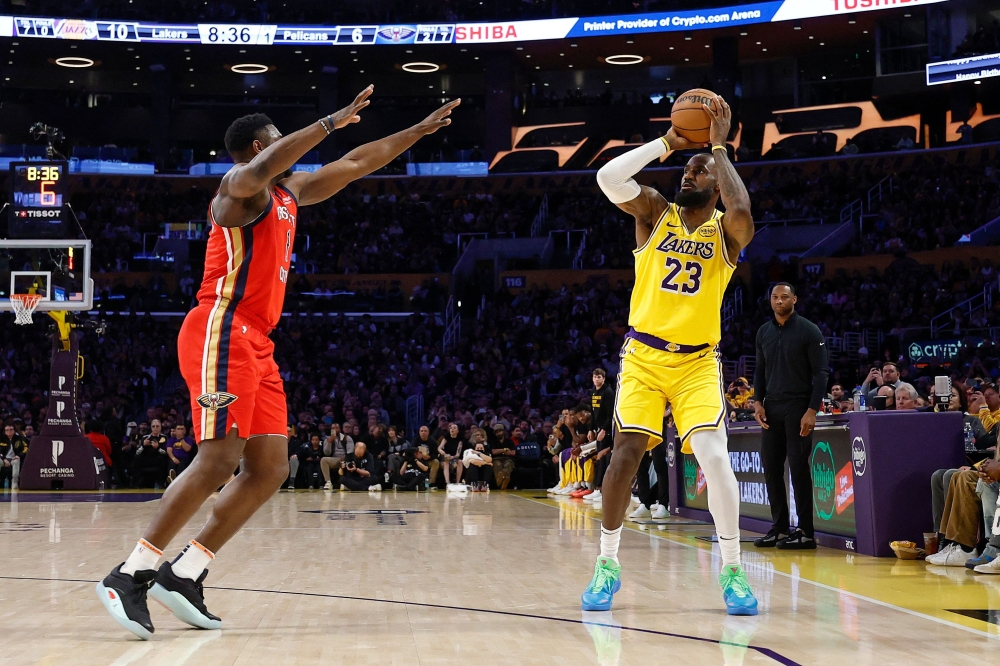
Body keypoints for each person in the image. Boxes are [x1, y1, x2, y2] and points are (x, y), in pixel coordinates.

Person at [96, 88, 461, 640]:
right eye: (276, 147)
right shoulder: (236, 191)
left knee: (270, 469)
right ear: (258, 147)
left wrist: (417, 132)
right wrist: (330, 121)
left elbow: (360, 161)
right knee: (219, 460)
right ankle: (132, 572)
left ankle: (187, 572)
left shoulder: (291, 193)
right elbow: (267, 165)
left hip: (257, 341)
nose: (290, 158)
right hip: (220, 325)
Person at [585, 94, 758, 615]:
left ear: (717, 181)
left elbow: (743, 210)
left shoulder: (726, 233)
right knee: (624, 458)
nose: (689, 174)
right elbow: (608, 180)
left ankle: (731, 569)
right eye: (687, 168)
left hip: (697, 363)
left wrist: (719, 150)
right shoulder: (656, 212)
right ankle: (607, 563)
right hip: (642, 357)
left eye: (699, 170)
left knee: (715, 460)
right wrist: (666, 142)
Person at [752, 283, 829, 550]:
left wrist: (812, 409)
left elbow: (821, 373)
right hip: (771, 407)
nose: (779, 301)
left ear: (794, 299)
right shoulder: (763, 332)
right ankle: (779, 528)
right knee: (772, 468)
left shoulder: (809, 330)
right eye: (775, 297)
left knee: (798, 467)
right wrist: (757, 403)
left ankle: (806, 531)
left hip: (798, 405)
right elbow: (759, 372)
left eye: (784, 297)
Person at [587, 368, 615, 503]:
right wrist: (591, 429)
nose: (597, 379)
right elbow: (593, 413)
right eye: (595, 377)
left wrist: (604, 430)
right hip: (597, 429)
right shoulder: (592, 392)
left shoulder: (608, 392)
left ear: (603, 378)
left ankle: (601, 489)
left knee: (603, 458)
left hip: (607, 430)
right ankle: (597, 488)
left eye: (599, 377)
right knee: (599, 458)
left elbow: (611, 414)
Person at [320, 422, 353, 491]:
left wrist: (345, 457)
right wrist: (329, 442)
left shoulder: (347, 438)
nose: (335, 430)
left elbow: (350, 451)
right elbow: (327, 453)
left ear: (340, 429)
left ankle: (347, 484)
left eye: (336, 428)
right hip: (335, 459)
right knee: (323, 459)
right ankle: (328, 482)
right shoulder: (327, 440)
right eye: (333, 428)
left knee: (348, 460)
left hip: (346, 458)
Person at [0, 422, 28, 490]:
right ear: (4, 431)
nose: (9, 431)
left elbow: (26, 448)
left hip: (14, 458)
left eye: (11, 429)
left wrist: (19, 455)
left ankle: (14, 482)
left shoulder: (20, 439)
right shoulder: (1, 439)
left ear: (14, 430)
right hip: (4, 459)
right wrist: (4, 459)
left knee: (16, 461)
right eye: (7, 430)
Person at [490, 424, 517, 490]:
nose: (498, 433)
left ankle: (500, 482)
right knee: (497, 464)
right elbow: (493, 452)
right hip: (496, 459)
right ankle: (503, 483)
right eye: (496, 432)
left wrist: (499, 451)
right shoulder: (493, 441)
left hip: (508, 458)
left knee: (508, 464)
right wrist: (505, 449)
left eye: (500, 431)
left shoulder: (509, 441)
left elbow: (513, 453)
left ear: (503, 431)